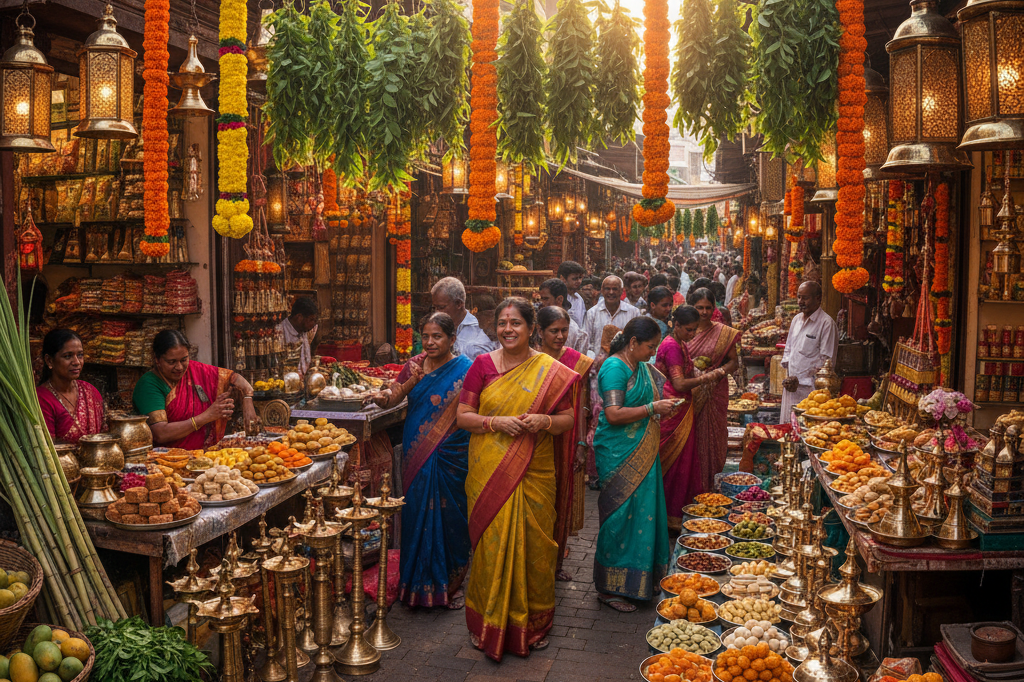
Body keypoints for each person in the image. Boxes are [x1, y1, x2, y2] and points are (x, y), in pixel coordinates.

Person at [456, 298, 579, 660]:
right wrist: (495, 422)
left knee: (535, 546)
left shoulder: (549, 370)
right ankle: (487, 624)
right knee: (492, 547)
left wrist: (544, 422)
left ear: (532, 329)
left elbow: (568, 419)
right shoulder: (481, 365)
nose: (508, 329)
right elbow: (464, 416)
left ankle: (534, 624)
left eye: (516, 323)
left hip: (535, 471)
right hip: (489, 468)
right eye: (502, 323)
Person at [371, 313, 472, 609]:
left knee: (451, 515)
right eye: (425, 336)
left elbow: (473, 408)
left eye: (437, 336)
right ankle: (414, 586)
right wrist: (382, 397)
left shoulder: (466, 369)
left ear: (452, 339)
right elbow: (393, 396)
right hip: (418, 449)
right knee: (416, 512)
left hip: (451, 454)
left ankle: (449, 586)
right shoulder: (414, 365)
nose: (429, 342)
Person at [593, 317, 676, 612]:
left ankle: (639, 581)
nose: (653, 353)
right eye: (650, 347)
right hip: (618, 452)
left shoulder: (638, 366)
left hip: (642, 447)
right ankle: (610, 588)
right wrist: (652, 408)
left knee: (642, 514)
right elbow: (614, 414)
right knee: (619, 517)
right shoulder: (614, 368)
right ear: (632, 343)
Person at [536, 306, 594, 582]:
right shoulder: (531, 360)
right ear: (540, 332)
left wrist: (582, 443)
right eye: (553, 331)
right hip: (536, 437)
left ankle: (556, 563)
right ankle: (536, 561)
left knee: (562, 497)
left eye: (564, 331)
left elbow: (582, 406)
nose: (560, 336)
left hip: (568, 437)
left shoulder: (577, 362)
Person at [133, 330, 258, 449]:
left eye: (184, 359)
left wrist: (247, 397)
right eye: (171, 362)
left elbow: (234, 378)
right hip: (168, 460)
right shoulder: (149, 384)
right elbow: (161, 433)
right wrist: (208, 416)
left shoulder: (195, 370)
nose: (179, 367)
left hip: (204, 457)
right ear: (157, 360)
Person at [654, 306, 717, 531]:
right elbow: (679, 384)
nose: (692, 335)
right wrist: (709, 377)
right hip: (673, 411)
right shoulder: (671, 346)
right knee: (674, 467)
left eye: (694, 330)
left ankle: (672, 515)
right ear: (676, 325)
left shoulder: (679, 343)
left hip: (679, 409)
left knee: (682, 465)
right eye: (689, 330)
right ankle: (667, 517)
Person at [685, 288, 740, 494]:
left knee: (714, 436)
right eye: (700, 307)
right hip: (690, 391)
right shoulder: (685, 331)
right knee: (691, 438)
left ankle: (711, 483)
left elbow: (734, 362)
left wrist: (718, 373)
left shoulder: (723, 332)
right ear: (692, 307)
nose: (704, 312)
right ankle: (692, 486)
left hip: (715, 390)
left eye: (709, 307)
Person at [781, 281, 839, 423]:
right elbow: (788, 349)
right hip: (791, 387)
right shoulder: (796, 320)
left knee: (806, 428)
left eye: (805, 298)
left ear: (818, 299)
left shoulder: (826, 324)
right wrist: (789, 376)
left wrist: (800, 378)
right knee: (788, 426)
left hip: (811, 390)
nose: (801, 302)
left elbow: (827, 362)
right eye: (799, 297)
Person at [36, 329, 105, 444]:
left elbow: (104, 436)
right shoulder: (42, 399)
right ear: (49, 361)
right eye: (68, 356)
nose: (77, 362)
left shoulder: (90, 391)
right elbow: (48, 450)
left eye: (80, 355)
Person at [431, 277, 498, 361]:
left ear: (459, 304)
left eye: (441, 307)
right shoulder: (437, 327)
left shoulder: (478, 331)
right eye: (435, 308)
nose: (437, 312)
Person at [582, 276, 640, 356]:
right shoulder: (592, 313)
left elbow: (637, 340)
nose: (611, 292)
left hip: (623, 364)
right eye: (607, 289)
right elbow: (586, 342)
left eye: (615, 289)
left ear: (621, 291)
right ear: (602, 290)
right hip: (598, 365)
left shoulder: (634, 312)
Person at [538, 278, 589, 353]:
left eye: (545, 299)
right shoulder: (542, 322)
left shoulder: (571, 328)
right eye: (541, 299)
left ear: (559, 300)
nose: (541, 303)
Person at [277, 296, 318, 375]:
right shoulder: (280, 332)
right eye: (311, 320)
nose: (313, 324)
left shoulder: (303, 331)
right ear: (299, 317)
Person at [557, 260, 588, 328]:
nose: (579, 281)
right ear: (563, 278)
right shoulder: (557, 298)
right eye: (574, 279)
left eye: (580, 278)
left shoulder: (579, 299)